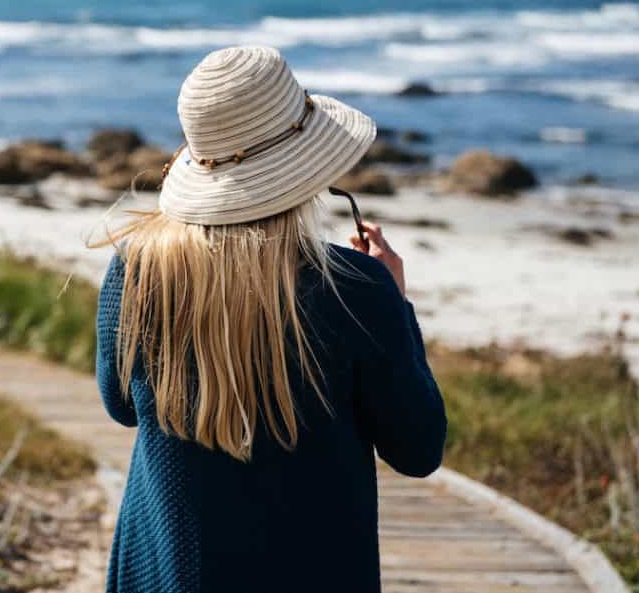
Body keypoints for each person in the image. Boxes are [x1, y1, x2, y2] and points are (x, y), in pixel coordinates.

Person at [93, 45, 446, 592]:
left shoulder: (136, 269)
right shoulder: (355, 289)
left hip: (169, 572)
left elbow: (121, 406)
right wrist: (397, 307)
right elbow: (419, 449)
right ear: (307, 171)